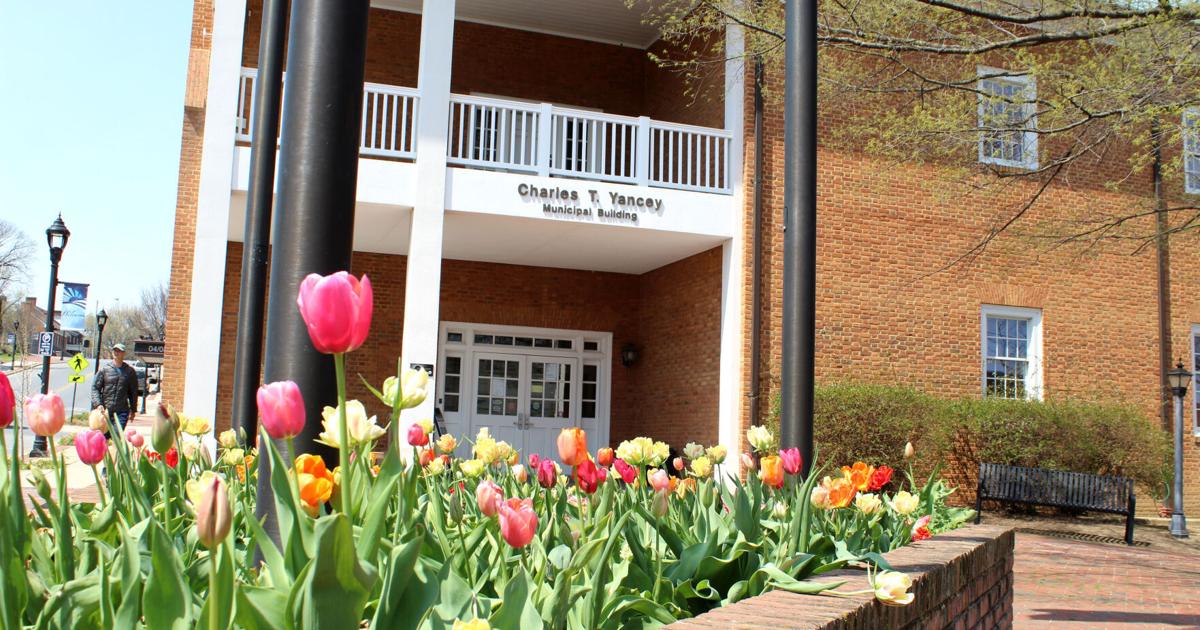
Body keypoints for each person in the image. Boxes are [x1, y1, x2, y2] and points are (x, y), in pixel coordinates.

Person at [91, 343, 139, 434]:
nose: (116, 353)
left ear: (124, 353)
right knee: (104, 436)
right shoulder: (105, 370)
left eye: (119, 351)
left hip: (121, 411)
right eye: (115, 350)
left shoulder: (129, 371)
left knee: (116, 434)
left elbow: (133, 392)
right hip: (105, 410)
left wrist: (133, 410)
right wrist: (98, 404)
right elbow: (95, 388)